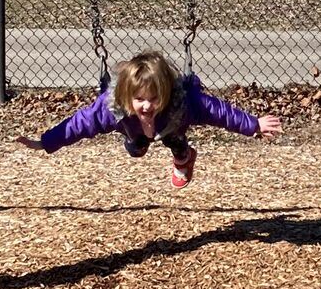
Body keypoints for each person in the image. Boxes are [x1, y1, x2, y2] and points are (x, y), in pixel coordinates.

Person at [16, 50, 282, 189]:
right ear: (127, 95)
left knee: (176, 143)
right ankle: (139, 145)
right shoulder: (111, 109)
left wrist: (253, 125)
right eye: (140, 99)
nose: (147, 105)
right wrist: (45, 142)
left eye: (154, 99)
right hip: (134, 132)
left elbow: (220, 112)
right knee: (135, 149)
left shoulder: (184, 103)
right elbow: (77, 125)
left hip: (171, 126)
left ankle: (185, 159)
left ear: (165, 94)